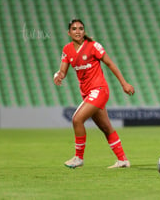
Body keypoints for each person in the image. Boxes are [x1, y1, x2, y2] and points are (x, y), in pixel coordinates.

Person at [53, 19, 135, 168]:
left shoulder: (93, 46)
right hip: (87, 93)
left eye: (80, 28)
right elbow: (62, 72)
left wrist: (124, 83)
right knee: (106, 127)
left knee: (77, 119)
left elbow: (110, 63)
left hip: (99, 90)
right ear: (69, 32)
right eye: (74, 29)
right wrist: (57, 76)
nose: (78, 31)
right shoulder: (67, 50)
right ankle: (123, 160)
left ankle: (78, 158)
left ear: (84, 31)